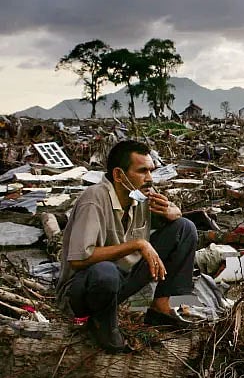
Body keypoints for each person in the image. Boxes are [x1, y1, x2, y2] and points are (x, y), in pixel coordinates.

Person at [56, 140, 197, 352]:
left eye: (151, 171)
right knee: (105, 270)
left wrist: (172, 211)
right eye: (142, 171)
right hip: (83, 291)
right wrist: (138, 244)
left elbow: (176, 221)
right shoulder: (94, 199)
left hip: (120, 282)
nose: (149, 178)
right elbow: (78, 259)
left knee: (185, 228)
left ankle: (162, 307)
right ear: (119, 175)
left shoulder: (138, 195)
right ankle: (101, 324)